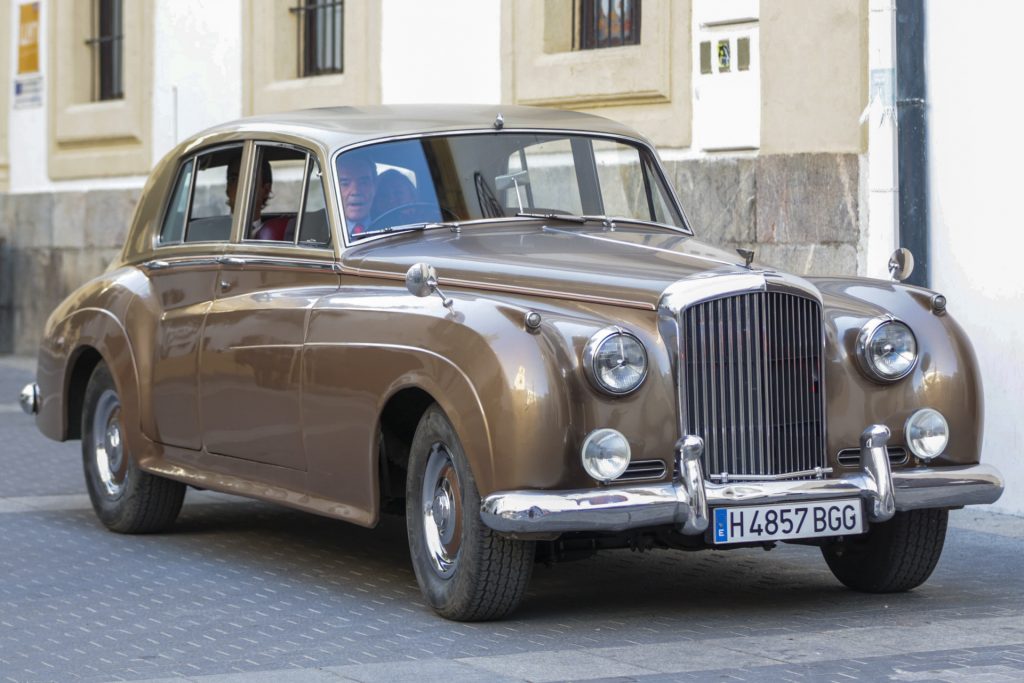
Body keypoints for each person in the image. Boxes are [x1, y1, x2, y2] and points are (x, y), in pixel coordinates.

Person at [225, 155, 292, 241]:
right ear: (227, 188)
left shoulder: (280, 237)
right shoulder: (210, 233)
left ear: (266, 190)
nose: (240, 186)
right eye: (233, 180)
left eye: (249, 179)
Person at [337, 154, 376, 238]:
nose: (355, 191)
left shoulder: (393, 223)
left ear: (374, 187)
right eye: (345, 184)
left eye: (363, 183)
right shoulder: (311, 227)